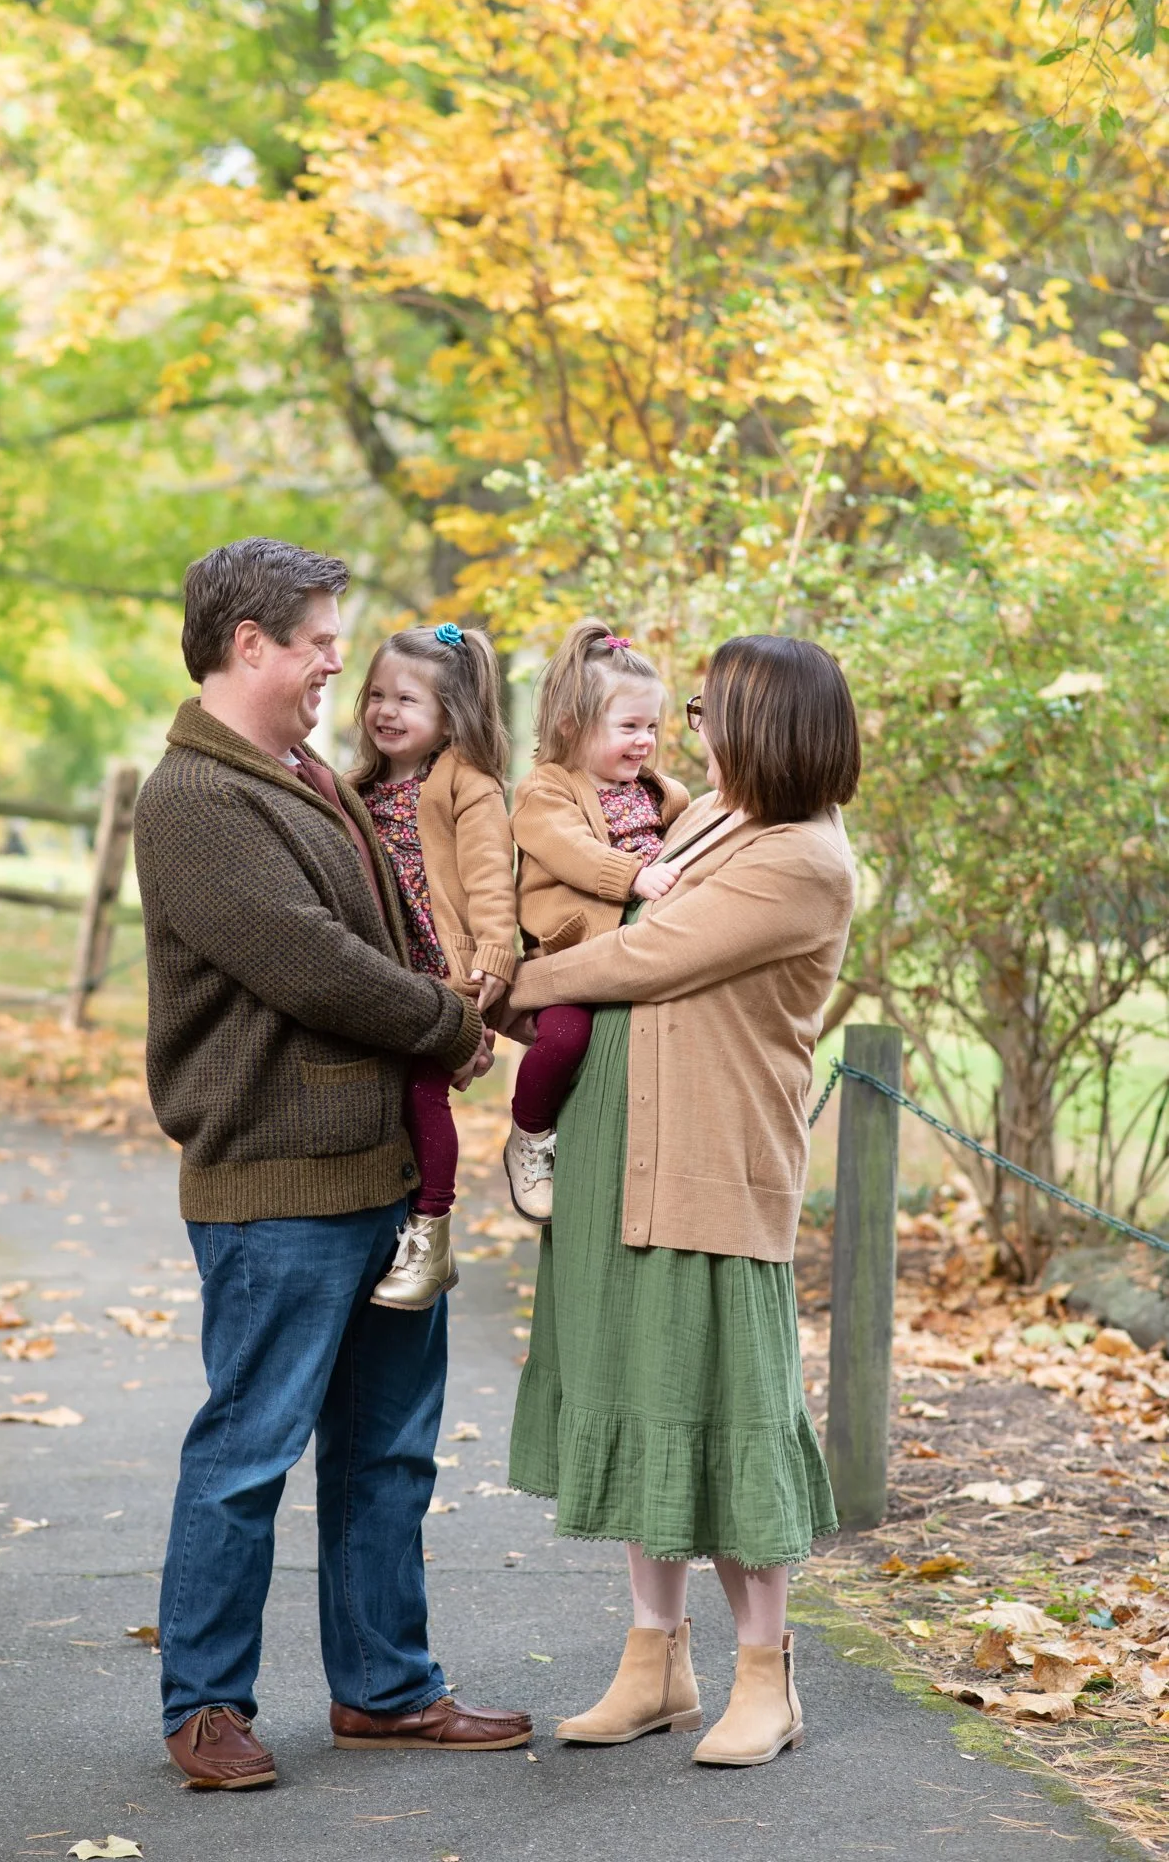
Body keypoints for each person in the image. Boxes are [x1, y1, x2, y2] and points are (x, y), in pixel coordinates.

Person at [134, 537, 532, 1791]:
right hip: (275, 1187)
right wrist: (447, 1024)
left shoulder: (307, 771)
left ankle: (384, 1687)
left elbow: (401, 924)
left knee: (388, 1452)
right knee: (248, 1449)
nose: (330, 665)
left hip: (379, 1175)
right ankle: (203, 1703)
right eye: (314, 639)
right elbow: (306, 958)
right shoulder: (193, 799)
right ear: (245, 640)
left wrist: (465, 995)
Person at [506, 633, 860, 1767]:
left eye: (709, 709)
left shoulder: (801, 858)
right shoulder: (707, 817)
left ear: (769, 726)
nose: (689, 727)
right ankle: (653, 1661)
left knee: (723, 1410)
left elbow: (644, 954)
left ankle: (767, 1676)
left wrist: (510, 986)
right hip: (621, 1151)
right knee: (635, 1393)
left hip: (712, 1162)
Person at [349, 622, 517, 1310]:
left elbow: (489, 882)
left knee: (424, 1093)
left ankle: (432, 1232)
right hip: (382, 979)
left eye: (407, 701)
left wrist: (491, 969)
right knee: (387, 1102)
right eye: (376, 695)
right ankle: (394, 1220)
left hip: (445, 980)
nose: (386, 711)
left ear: (450, 719)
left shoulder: (467, 785)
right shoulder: (351, 788)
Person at [503, 620, 689, 1223]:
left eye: (652, 727)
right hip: (570, 959)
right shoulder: (546, 791)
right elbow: (569, 850)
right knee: (566, 1040)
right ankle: (529, 1134)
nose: (644, 743)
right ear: (571, 726)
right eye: (628, 727)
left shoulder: (660, 792)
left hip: (636, 958)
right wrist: (631, 877)